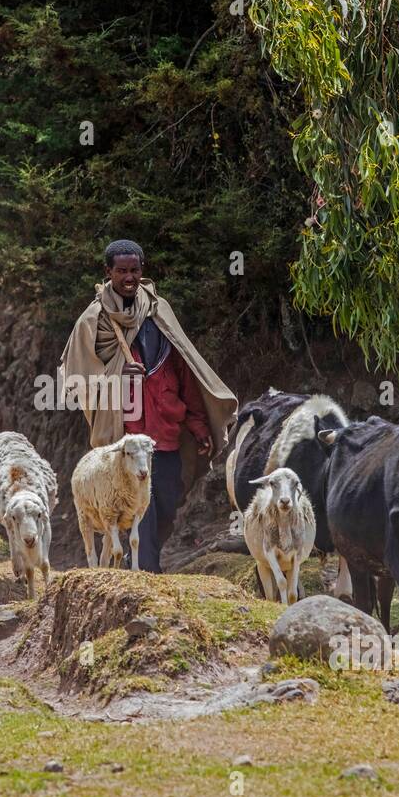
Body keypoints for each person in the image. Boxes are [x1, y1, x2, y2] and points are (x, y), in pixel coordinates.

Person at [59, 239, 237, 572]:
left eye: (135, 270)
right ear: (108, 272)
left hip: (166, 435)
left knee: (168, 503)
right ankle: (146, 571)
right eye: (122, 271)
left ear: (143, 270)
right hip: (125, 438)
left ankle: (137, 559)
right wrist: (116, 377)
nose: (129, 277)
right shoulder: (93, 320)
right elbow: (76, 377)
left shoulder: (158, 311)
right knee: (145, 506)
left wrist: (199, 426)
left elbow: (185, 371)